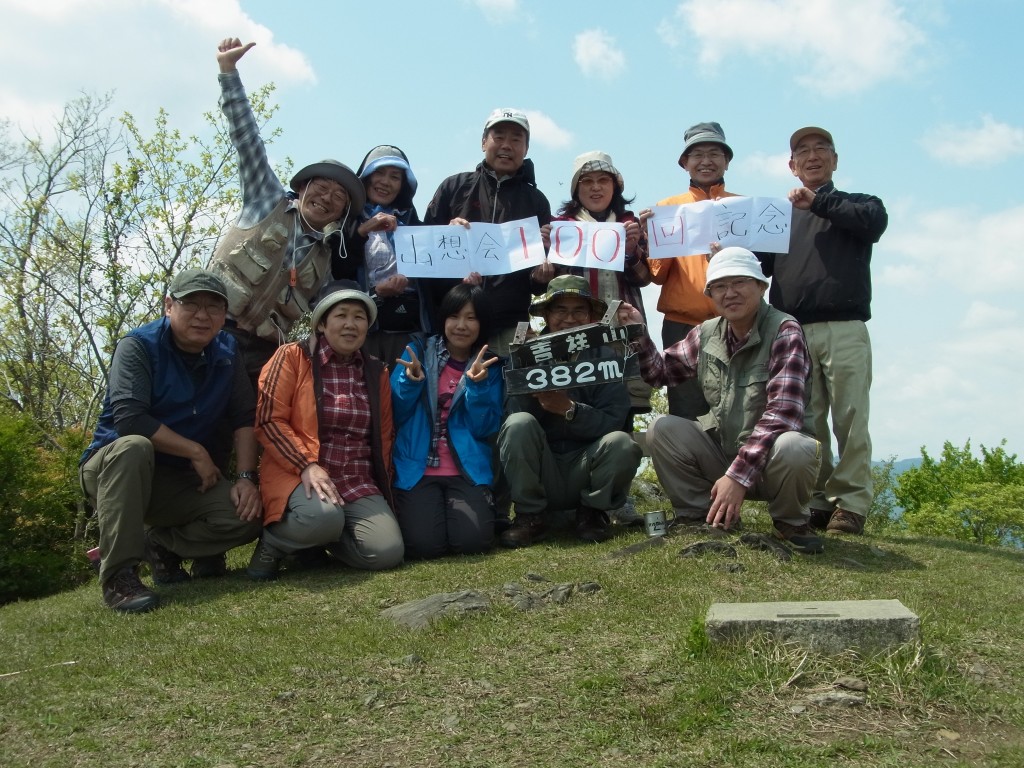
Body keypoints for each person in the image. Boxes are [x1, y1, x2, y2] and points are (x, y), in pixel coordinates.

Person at [80, 269, 263, 613]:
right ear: (168, 305)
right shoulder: (136, 346)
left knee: (247, 517)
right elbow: (130, 419)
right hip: (115, 470)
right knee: (135, 446)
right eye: (190, 304)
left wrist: (245, 477)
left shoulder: (227, 349)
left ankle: (161, 544)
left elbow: (244, 417)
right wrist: (195, 451)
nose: (202, 315)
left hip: (179, 481)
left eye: (213, 307)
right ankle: (119, 576)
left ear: (224, 315)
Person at [618, 248, 823, 554]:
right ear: (710, 294)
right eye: (720, 287)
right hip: (723, 453)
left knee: (796, 445)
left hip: (771, 464)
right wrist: (637, 331)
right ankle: (700, 515)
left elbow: (783, 414)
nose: (730, 294)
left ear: (761, 287)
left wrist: (737, 478)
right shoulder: (707, 332)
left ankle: (790, 521)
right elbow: (659, 374)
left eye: (740, 283)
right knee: (663, 427)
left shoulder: (784, 330)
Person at [206, 38, 365, 385]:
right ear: (303, 187)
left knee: (251, 427)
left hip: (262, 353)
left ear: (342, 213)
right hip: (210, 329)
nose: (326, 198)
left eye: (338, 197)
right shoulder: (266, 199)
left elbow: (328, 316)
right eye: (321, 187)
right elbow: (247, 140)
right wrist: (228, 72)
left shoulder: (325, 261)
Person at [758, 127, 888, 536]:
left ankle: (850, 504)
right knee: (805, 419)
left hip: (845, 326)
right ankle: (815, 500)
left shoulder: (859, 204)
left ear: (835, 159)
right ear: (791, 166)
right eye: (802, 152)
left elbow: (871, 224)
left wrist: (821, 202)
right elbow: (757, 261)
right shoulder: (776, 217)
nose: (812, 156)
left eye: (821, 149)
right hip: (792, 330)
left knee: (850, 415)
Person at [248, 280, 404, 580]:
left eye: (359, 317)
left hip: (356, 479)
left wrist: (386, 483)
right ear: (321, 324)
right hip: (299, 474)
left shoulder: (376, 371)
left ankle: (310, 545)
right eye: (341, 315)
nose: (350, 324)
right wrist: (306, 465)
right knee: (323, 518)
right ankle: (274, 543)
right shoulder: (292, 357)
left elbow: (384, 434)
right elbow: (269, 420)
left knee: (387, 552)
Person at [498, 275, 643, 547]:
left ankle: (592, 513)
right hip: (544, 466)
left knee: (622, 443)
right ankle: (530, 516)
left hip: (586, 464)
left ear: (590, 316)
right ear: (546, 315)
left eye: (579, 310)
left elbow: (615, 420)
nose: (569, 318)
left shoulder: (606, 356)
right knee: (518, 424)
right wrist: (536, 400)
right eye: (560, 310)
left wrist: (571, 410)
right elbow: (511, 419)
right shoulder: (524, 355)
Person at [423, 107, 553, 358]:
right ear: (484, 142)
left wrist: (541, 275)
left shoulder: (537, 201)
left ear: (526, 149)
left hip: (509, 326)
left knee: (505, 394)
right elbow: (424, 253)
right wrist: (446, 235)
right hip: (454, 322)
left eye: (516, 139)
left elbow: (537, 284)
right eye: (499, 136)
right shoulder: (454, 187)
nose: (507, 145)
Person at [541, 150, 653, 429]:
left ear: (615, 186)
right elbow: (544, 284)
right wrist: (543, 255)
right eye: (586, 181)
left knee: (625, 407)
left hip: (623, 331)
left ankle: (617, 462)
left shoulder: (630, 225)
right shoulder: (561, 227)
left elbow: (644, 278)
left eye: (603, 180)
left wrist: (630, 251)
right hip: (576, 334)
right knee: (576, 399)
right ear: (575, 189)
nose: (595, 187)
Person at [640, 121, 744, 420]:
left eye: (715, 153)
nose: (706, 161)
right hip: (681, 326)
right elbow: (657, 276)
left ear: (727, 160)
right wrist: (653, 238)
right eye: (697, 154)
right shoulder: (668, 208)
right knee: (686, 414)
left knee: (738, 408)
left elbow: (761, 271)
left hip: (735, 325)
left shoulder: (743, 208)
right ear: (684, 163)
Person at [390, 285, 503, 558]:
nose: (461, 325)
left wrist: (478, 388)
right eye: (454, 316)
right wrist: (410, 382)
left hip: (466, 470)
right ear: (443, 319)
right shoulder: (416, 352)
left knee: (472, 543)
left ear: (482, 323)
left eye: (471, 318)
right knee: (424, 546)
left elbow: (484, 428)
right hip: (417, 468)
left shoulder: (491, 366)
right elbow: (395, 413)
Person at [344, 145, 433, 366]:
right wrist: (361, 232)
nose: (385, 182)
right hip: (362, 333)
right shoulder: (346, 222)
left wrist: (456, 233)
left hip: (409, 334)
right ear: (364, 178)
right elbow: (338, 271)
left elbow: (437, 275)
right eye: (379, 173)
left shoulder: (416, 226)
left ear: (404, 185)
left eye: (395, 177)